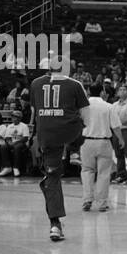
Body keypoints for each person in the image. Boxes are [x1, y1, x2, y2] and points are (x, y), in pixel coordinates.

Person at [29, 57, 89, 241]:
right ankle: (73, 152)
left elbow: (34, 110)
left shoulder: (36, 83)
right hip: (69, 132)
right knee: (79, 130)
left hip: (47, 136)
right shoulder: (75, 84)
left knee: (51, 179)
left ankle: (55, 224)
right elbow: (86, 116)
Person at [79, 84, 123, 212]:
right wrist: (121, 139)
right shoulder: (108, 106)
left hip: (86, 141)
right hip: (104, 142)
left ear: (88, 91)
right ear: (102, 92)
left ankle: (87, 200)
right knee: (103, 173)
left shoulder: (83, 107)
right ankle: (102, 203)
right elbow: (115, 126)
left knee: (87, 171)